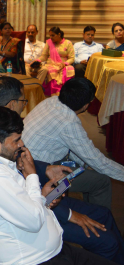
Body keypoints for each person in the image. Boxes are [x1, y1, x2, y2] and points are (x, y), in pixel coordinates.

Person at [0, 106, 124, 265]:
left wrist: (43, 198)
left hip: (53, 252)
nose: (21, 145)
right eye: (16, 140)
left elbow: (25, 205)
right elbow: (34, 220)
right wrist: (32, 176)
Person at [0, 76, 124, 265]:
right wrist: (70, 214)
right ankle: (101, 241)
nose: (22, 144)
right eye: (23, 101)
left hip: (46, 175)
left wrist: (50, 168)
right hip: (43, 194)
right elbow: (30, 202)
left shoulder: (49, 104)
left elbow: (74, 151)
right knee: (99, 185)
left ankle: (109, 246)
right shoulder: (0, 154)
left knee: (101, 208)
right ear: (86, 105)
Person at [23, 77, 123, 210]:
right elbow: (99, 162)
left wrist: (86, 163)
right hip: (40, 173)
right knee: (102, 181)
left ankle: (88, 212)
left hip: (27, 162)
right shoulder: (68, 122)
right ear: (86, 105)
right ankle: (99, 222)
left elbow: (74, 148)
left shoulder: (50, 101)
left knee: (88, 167)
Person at [31, 26, 74, 96]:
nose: (51, 37)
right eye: (50, 35)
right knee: (52, 71)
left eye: (53, 35)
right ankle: (54, 95)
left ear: (59, 34)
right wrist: (38, 60)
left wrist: (64, 64)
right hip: (51, 64)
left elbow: (72, 58)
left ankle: (66, 94)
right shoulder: (49, 42)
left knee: (69, 69)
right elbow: (44, 56)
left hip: (64, 64)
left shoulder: (68, 43)